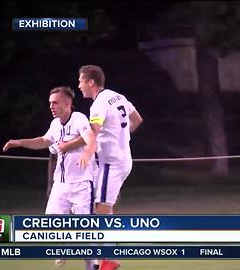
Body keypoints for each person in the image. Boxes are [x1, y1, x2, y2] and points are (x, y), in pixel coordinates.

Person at [2, 86, 97, 270]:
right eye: (50, 103)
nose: (51, 106)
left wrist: (86, 154)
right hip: (60, 185)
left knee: (86, 231)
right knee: (51, 224)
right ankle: (62, 247)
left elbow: (91, 138)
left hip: (81, 184)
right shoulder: (55, 124)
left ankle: (91, 266)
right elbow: (43, 141)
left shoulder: (79, 119)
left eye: (55, 102)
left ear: (68, 103)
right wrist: (19, 142)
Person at [77, 65, 143, 270]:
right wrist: (123, 139)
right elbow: (137, 119)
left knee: (101, 210)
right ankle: (107, 257)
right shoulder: (118, 96)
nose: (79, 86)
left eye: (81, 81)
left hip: (110, 164)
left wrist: (79, 149)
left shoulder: (98, 105)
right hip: (123, 159)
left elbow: (93, 132)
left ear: (91, 82)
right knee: (104, 209)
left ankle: (109, 259)